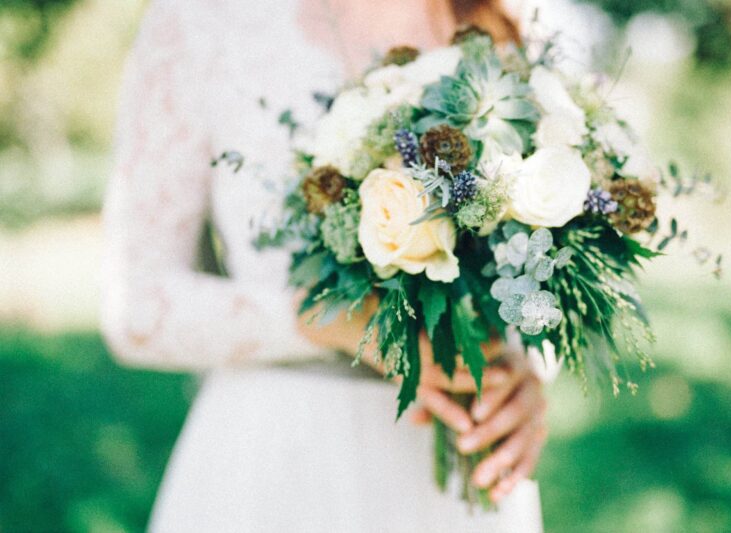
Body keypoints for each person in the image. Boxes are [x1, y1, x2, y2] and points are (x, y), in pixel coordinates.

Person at [101, 0, 548, 531]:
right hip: (280, 464)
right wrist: (327, 319)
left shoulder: (506, 27)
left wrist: (525, 375)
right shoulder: (200, 23)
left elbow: (533, 257)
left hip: (460, 464)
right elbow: (137, 308)